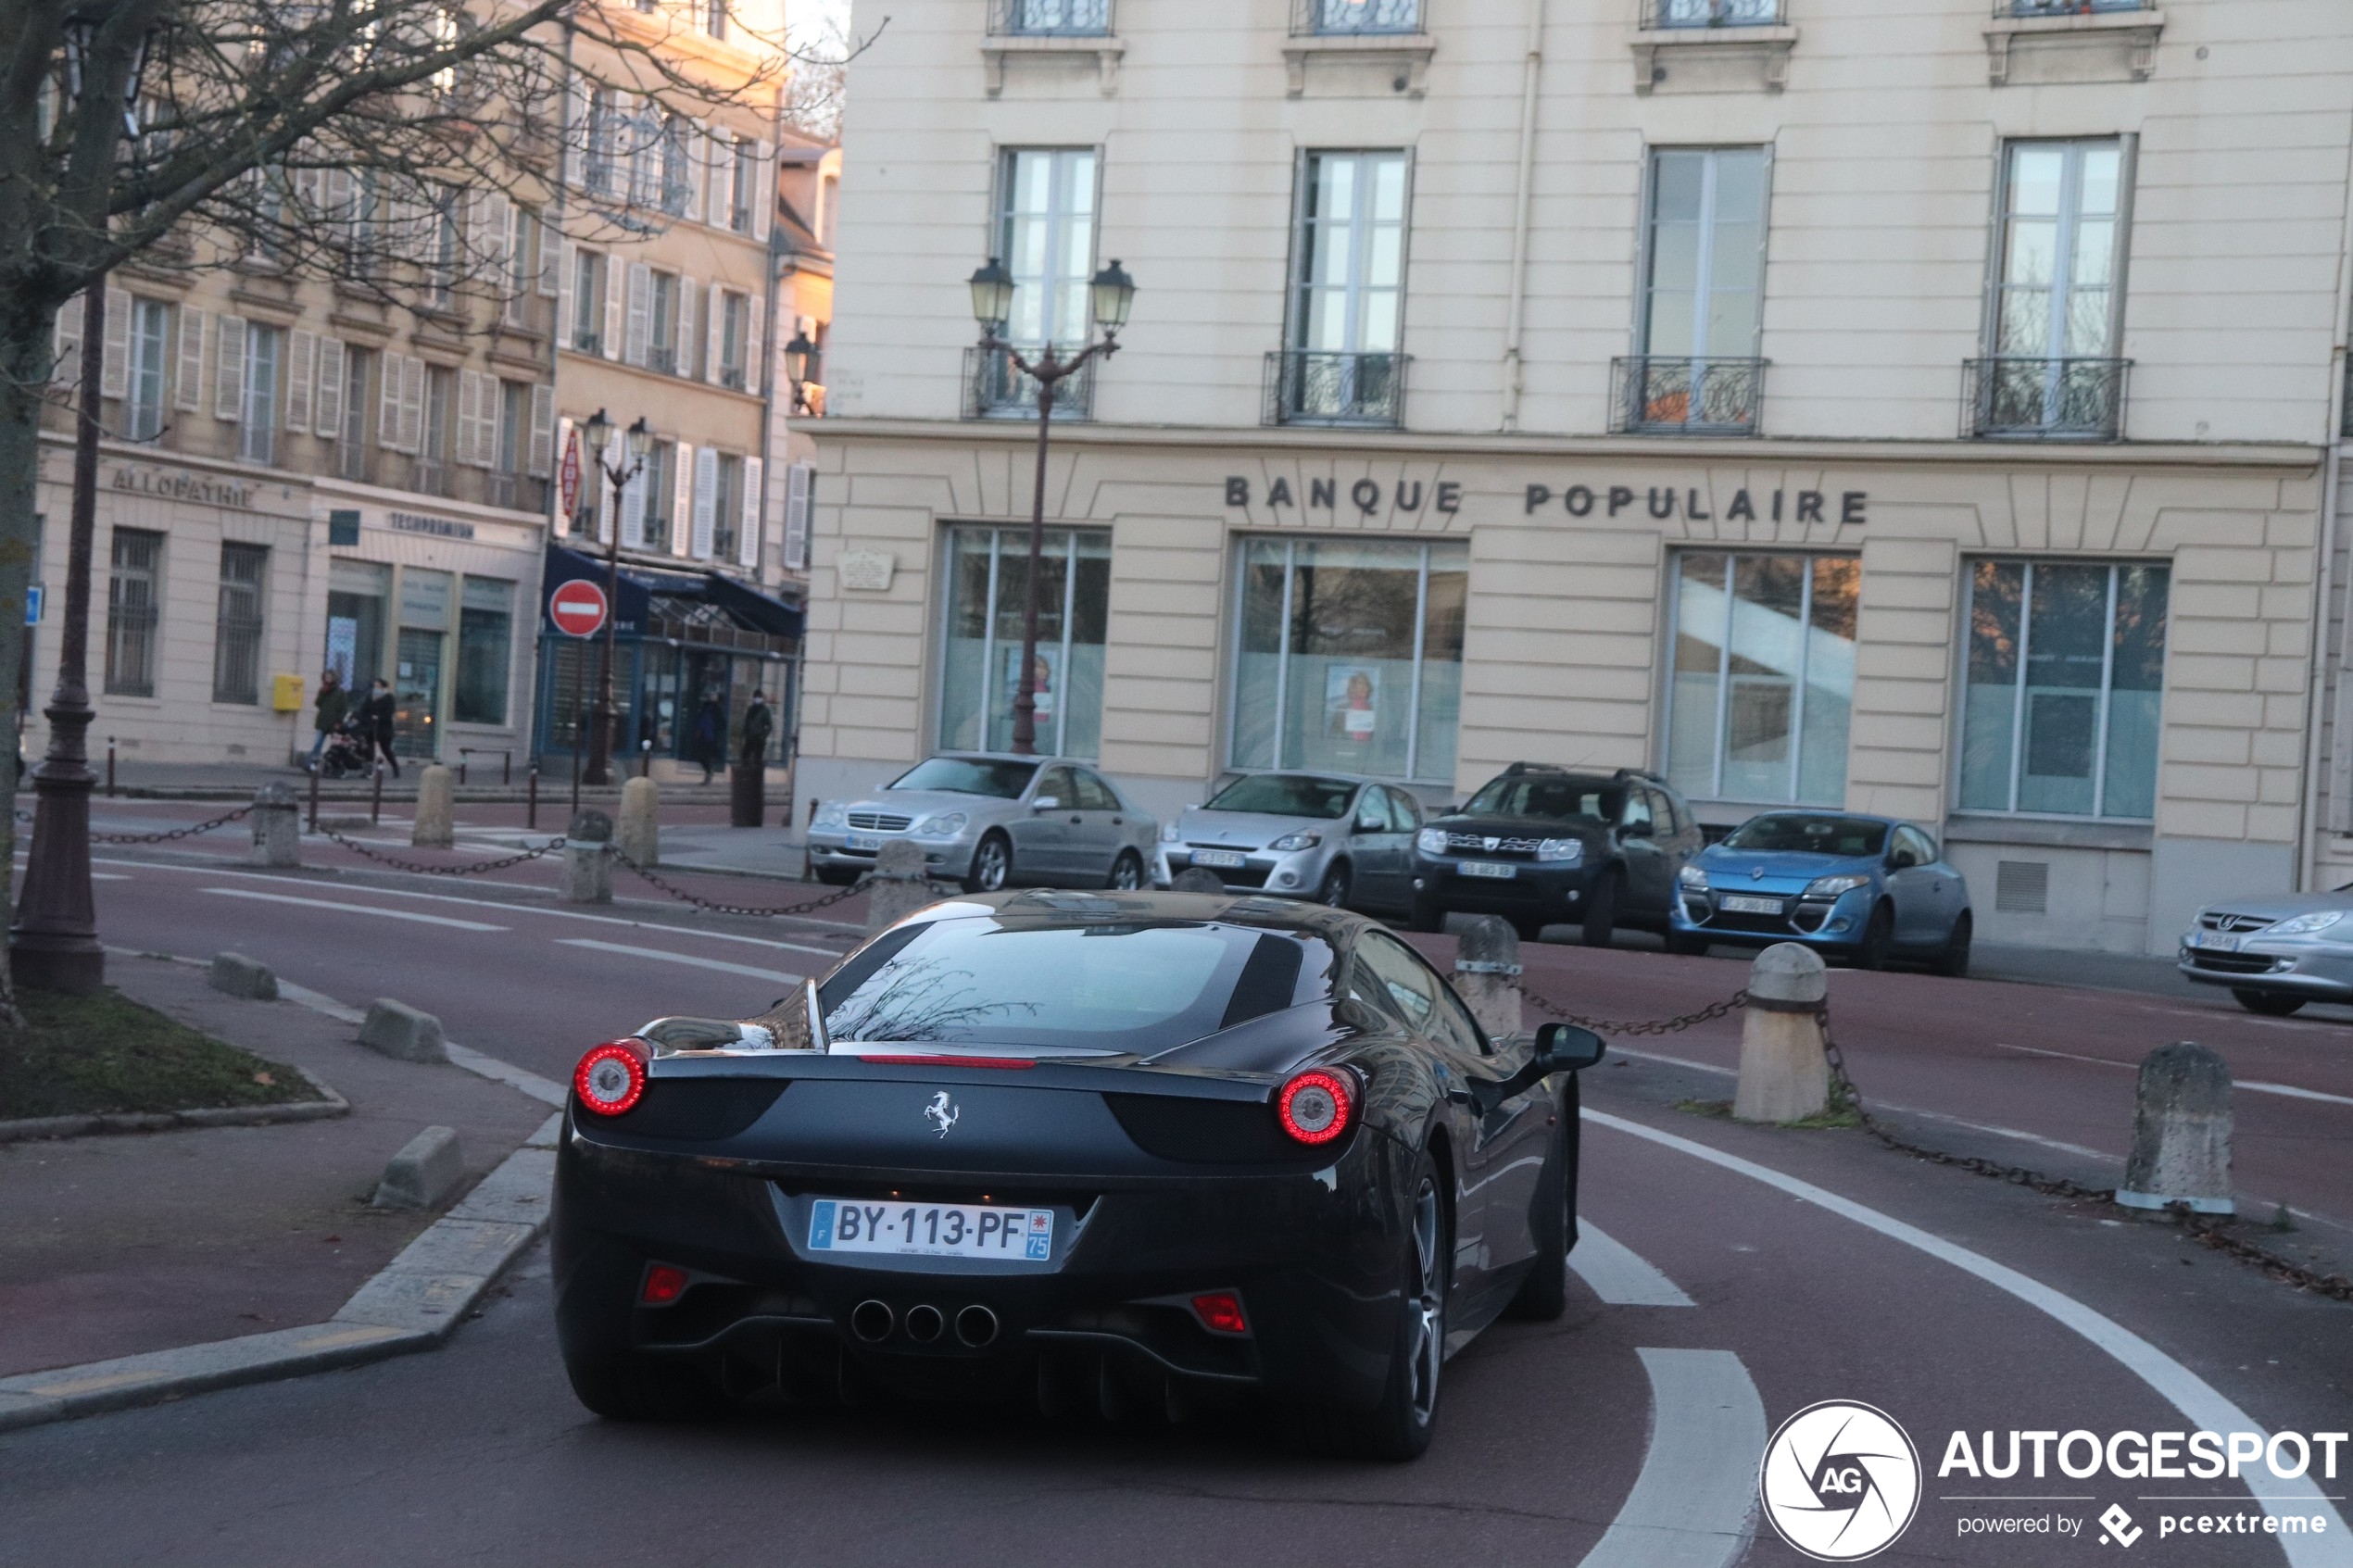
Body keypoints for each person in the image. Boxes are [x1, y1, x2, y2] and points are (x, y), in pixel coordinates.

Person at [306, 669, 347, 771]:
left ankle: (334, 764)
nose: (327, 679)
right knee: (318, 743)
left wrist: (339, 721)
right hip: (323, 721)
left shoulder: (340, 692)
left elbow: (344, 708)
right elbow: (318, 703)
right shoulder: (323, 690)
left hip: (334, 723)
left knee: (335, 745)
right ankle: (312, 763)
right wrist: (323, 693)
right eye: (326, 677)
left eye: (329, 677)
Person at [359, 678, 399, 777]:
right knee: (368, 749)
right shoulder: (370, 697)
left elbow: (389, 712)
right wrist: (366, 718)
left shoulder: (389, 698)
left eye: (378, 686)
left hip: (384, 728)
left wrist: (379, 717)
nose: (376, 688)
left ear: (383, 687)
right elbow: (363, 710)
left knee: (386, 749)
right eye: (375, 686)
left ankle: (395, 768)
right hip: (371, 728)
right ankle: (369, 770)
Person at [692, 694, 726, 784]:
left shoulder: (717, 710)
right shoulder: (707, 708)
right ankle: (709, 771)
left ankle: (709, 772)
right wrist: (699, 730)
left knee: (706, 756)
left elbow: (721, 725)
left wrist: (717, 736)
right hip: (705, 736)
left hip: (711, 737)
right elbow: (702, 721)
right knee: (701, 756)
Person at [739, 689, 774, 767]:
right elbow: (747, 722)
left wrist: (763, 735)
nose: (757, 699)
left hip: (759, 738)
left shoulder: (765, 710)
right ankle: (746, 774)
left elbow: (770, 725)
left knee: (758, 759)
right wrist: (745, 733)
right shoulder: (751, 709)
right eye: (756, 697)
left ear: (762, 699)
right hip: (750, 737)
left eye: (759, 697)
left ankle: (757, 776)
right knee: (745, 756)